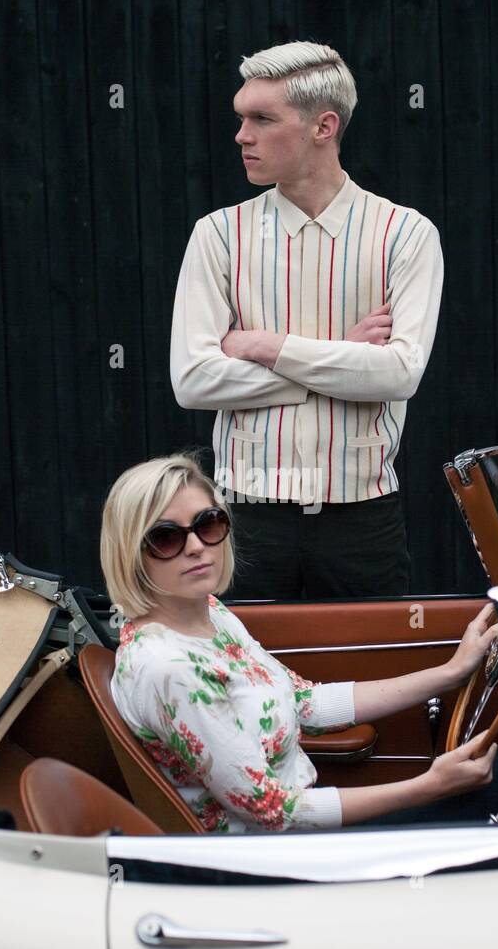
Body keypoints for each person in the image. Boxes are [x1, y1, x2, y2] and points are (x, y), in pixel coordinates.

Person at [99, 453, 498, 837]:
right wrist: (430, 787)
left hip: (302, 827)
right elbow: (274, 813)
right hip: (275, 860)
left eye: (208, 524)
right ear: (131, 553)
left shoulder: (210, 613)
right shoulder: (170, 669)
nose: (196, 547)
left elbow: (307, 704)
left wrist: (450, 672)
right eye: (166, 538)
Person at [168, 40, 444, 600]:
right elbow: (193, 381)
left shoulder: (407, 233)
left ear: (323, 126)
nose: (242, 135)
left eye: (262, 119)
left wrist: (267, 346)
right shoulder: (217, 234)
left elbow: (398, 375)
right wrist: (343, 353)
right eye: (241, 118)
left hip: (363, 522)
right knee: (243, 687)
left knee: (371, 683)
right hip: (245, 522)